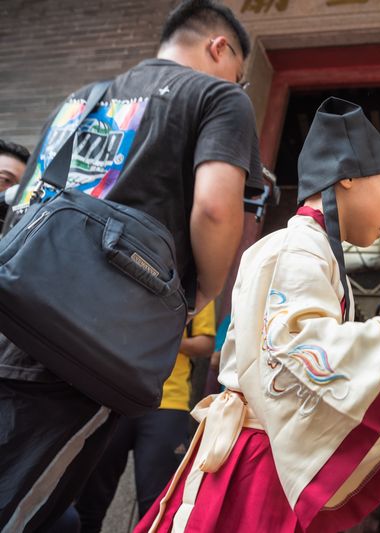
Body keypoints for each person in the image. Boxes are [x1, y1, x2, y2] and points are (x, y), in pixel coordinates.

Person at [134, 97, 380, 533]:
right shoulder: (301, 247)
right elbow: (301, 349)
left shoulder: (303, 246)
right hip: (261, 453)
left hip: (262, 445)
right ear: (346, 177)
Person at [0, 1, 262, 531]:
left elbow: (23, 203)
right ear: (220, 48)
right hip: (89, 345)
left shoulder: (79, 98)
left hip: (12, 319)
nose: (238, 82)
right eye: (239, 72)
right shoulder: (217, 96)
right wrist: (199, 296)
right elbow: (215, 206)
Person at [74, 303, 216, 532]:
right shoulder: (127, 268)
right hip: (114, 395)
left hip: (168, 402)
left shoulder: (198, 283)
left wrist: (165, 338)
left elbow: (206, 344)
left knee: (156, 508)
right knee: (88, 501)